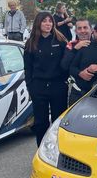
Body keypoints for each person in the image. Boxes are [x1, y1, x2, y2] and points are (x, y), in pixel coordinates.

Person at [24, 12, 69, 146]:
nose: (48, 24)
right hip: (39, 87)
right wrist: (30, 87)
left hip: (58, 86)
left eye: (50, 21)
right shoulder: (31, 43)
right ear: (38, 23)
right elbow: (28, 68)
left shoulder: (60, 40)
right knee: (40, 123)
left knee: (57, 122)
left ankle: (57, 151)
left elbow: (67, 62)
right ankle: (41, 152)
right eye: (44, 21)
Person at [60, 19, 93, 85]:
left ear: (91, 30)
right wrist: (75, 49)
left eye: (85, 27)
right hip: (77, 87)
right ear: (76, 31)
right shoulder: (71, 45)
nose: (82, 31)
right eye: (79, 28)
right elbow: (64, 66)